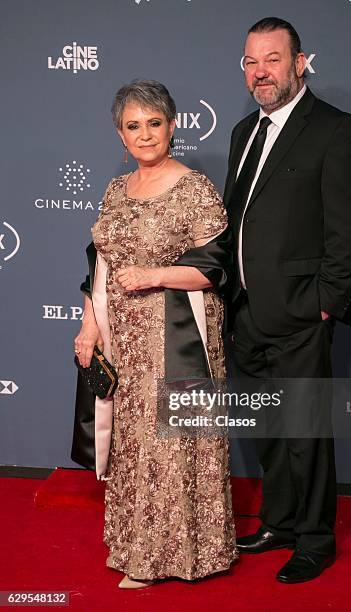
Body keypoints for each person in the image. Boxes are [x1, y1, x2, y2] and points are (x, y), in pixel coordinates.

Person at [72, 79, 237, 588]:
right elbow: (99, 264)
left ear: (173, 125)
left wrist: (153, 275)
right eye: (133, 126)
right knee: (132, 441)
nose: (145, 135)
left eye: (154, 123)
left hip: (176, 333)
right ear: (121, 135)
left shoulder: (194, 189)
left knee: (171, 441)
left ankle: (176, 555)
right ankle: (134, 544)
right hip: (125, 336)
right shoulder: (115, 190)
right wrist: (89, 325)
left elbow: (217, 268)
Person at [224, 18, 351, 583]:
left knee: (307, 432)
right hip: (246, 314)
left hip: (302, 314)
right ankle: (279, 522)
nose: (261, 72)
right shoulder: (243, 133)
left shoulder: (335, 130)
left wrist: (324, 304)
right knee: (268, 429)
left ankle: (315, 539)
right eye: (251, 62)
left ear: (300, 63)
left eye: (272, 59)